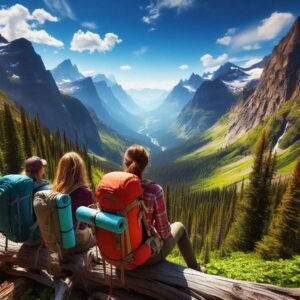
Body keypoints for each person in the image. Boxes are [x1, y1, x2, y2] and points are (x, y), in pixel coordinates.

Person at [123, 144, 201, 271]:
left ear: (125, 162)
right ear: (145, 165)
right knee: (180, 226)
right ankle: (196, 268)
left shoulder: (115, 189)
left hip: (120, 253)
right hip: (145, 257)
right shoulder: (154, 191)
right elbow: (164, 234)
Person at [52, 152, 95, 253]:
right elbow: (88, 223)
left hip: (58, 239)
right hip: (77, 239)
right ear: (80, 170)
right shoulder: (85, 193)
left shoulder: (55, 190)